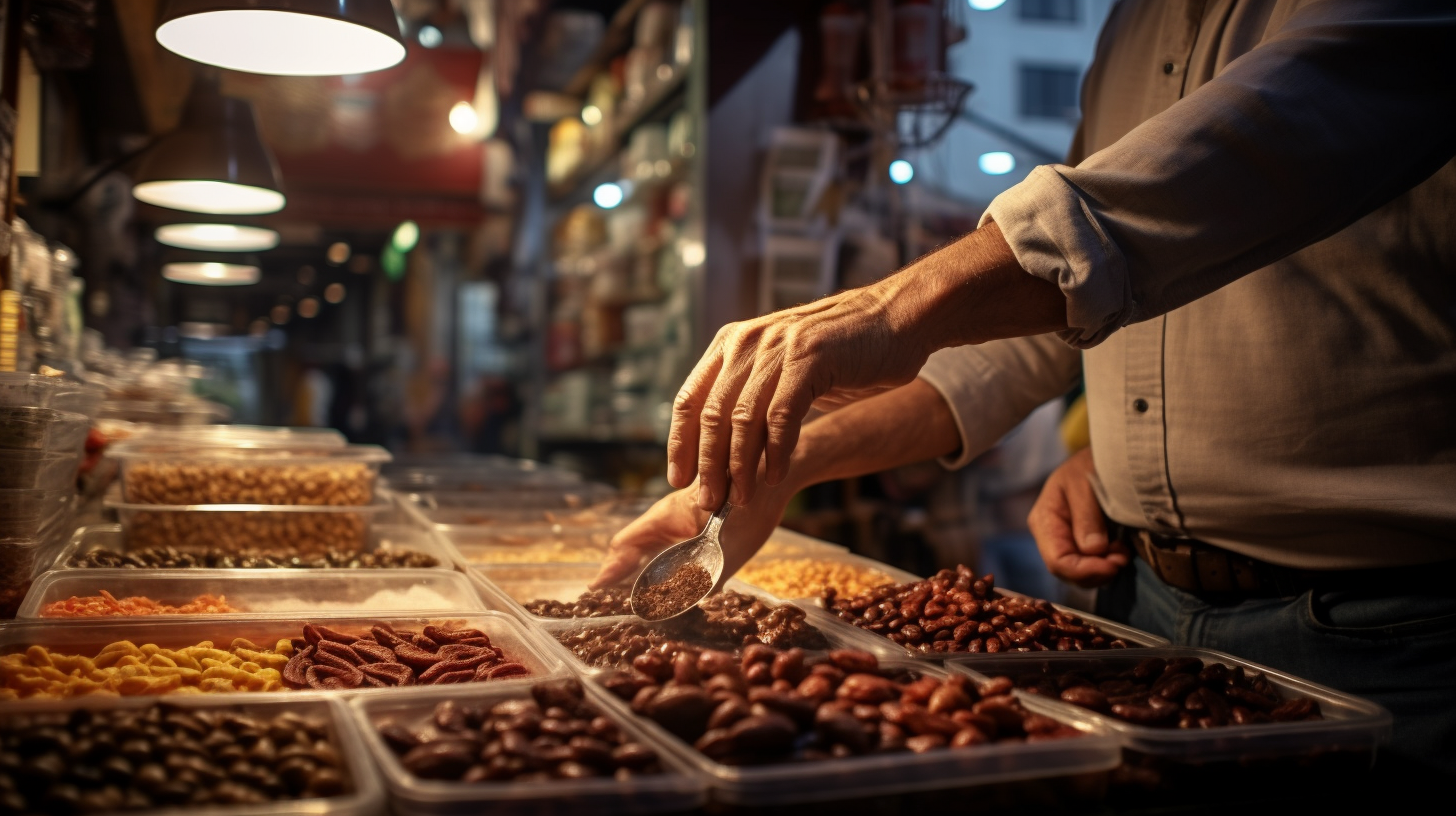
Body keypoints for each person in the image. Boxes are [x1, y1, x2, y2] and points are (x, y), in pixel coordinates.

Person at [593, 0, 1456, 769]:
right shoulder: (1129, 28)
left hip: (1391, 628)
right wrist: (779, 465)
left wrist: (903, 304)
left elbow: (1239, 160)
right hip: (1134, 600)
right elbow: (1037, 332)